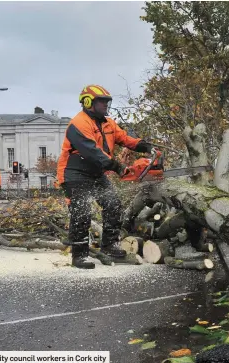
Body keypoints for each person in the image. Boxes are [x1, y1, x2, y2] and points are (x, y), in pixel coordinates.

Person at [57, 84, 160, 269]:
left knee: (113, 204)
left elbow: (125, 138)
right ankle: (79, 255)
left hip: (96, 173)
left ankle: (109, 245)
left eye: (106, 102)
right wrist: (117, 167)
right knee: (82, 211)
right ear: (88, 103)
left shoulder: (108, 123)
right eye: (101, 102)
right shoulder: (78, 124)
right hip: (74, 173)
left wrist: (145, 146)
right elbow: (92, 152)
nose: (105, 106)